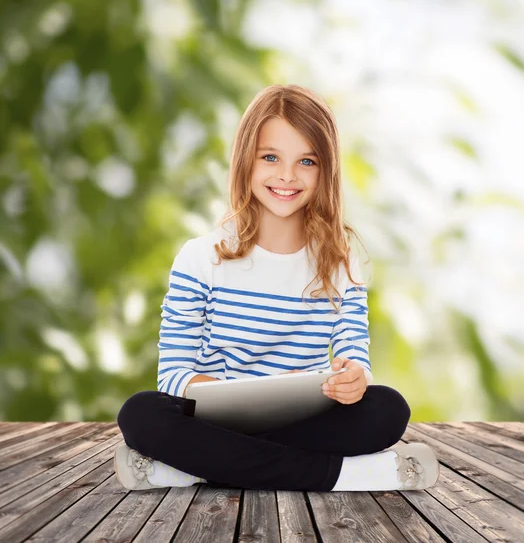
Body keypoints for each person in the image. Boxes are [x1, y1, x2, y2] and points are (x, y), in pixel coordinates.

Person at [114, 84, 440, 492]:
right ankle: (345, 476)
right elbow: (174, 375)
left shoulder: (342, 265)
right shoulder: (199, 259)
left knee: (388, 408)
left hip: (300, 420)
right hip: (213, 419)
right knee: (141, 413)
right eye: (270, 157)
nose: (287, 176)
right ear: (245, 163)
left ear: (326, 171)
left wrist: (354, 378)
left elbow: (354, 356)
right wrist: (224, 396)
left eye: (306, 161)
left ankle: (189, 468)